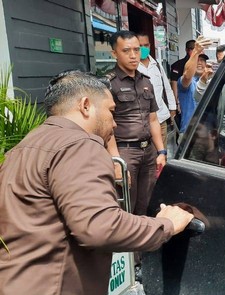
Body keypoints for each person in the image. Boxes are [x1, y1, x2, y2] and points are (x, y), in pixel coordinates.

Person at [0, 70, 194, 295]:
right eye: (112, 112)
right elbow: (100, 226)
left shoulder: (23, 147)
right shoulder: (80, 146)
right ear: (85, 105)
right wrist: (166, 225)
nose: (114, 124)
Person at [105, 30, 168, 276]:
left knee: (145, 205)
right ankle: (124, 264)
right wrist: (115, 160)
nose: (133, 55)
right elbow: (105, 125)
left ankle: (139, 262)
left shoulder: (145, 81)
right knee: (124, 210)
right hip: (125, 153)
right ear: (114, 53)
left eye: (136, 50)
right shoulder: (107, 83)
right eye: (126, 51)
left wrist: (161, 149)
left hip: (148, 153)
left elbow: (153, 119)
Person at [137, 32, 178, 147]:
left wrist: (172, 108)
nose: (143, 48)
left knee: (162, 154)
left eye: (146, 45)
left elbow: (167, 88)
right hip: (142, 122)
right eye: (140, 46)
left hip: (161, 118)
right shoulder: (133, 67)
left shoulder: (157, 65)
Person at [178, 36, 214, 134]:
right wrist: (196, 52)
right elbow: (187, 75)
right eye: (197, 60)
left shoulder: (210, 81)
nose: (199, 63)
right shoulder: (186, 81)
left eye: (202, 60)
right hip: (189, 133)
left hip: (208, 133)